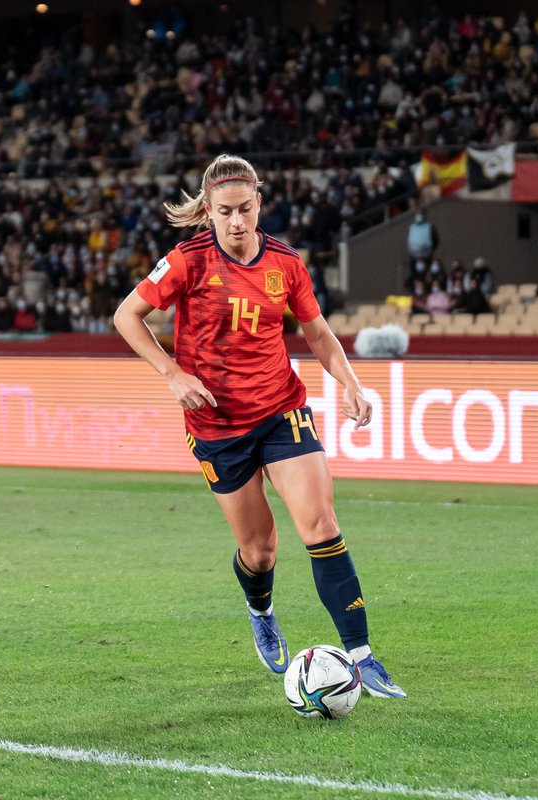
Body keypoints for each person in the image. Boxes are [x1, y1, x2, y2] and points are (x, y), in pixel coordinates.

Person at [113, 153, 405, 699]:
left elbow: (317, 334)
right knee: (260, 551)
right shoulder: (186, 261)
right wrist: (172, 373)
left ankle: (363, 657)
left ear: (259, 203)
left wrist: (350, 382)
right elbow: (125, 316)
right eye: (225, 212)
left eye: (245, 209)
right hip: (217, 425)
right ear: (208, 212)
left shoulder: (286, 264)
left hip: (280, 409)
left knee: (320, 524)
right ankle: (261, 609)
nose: (237, 221)